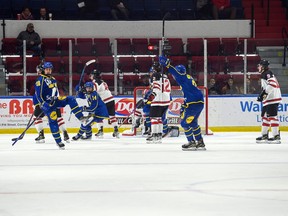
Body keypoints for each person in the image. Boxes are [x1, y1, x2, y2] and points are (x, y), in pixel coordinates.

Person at [34, 62, 89, 149]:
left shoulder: (53, 79)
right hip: (48, 105)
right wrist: (44, 104)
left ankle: (81, 118)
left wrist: (57, 97)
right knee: (53, 120)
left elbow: (55, 91)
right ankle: (58, 141)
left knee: (70, 99)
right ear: (44, 70)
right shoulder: (40, 80)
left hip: (55, 101)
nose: (48, 71)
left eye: (50, 69)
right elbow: (38, 94)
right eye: (47, 69)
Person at [159, 55, 206, 151]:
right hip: (199, 102)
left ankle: (191, 142)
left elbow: (175, 73)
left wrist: (168, 65)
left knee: (184, 123)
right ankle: (200, 142)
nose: (174, 77)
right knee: (193, 123)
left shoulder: (182, 77)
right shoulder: (188, 78)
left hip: (193, 102)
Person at [32, 64, 70, 143]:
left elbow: (38, 94)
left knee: (37, 117)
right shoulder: (52, 79)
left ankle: (41, 135)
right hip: (53, 101)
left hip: (43, 102)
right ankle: (65, 133)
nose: (38, 72)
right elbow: (56, 91)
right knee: (58, 117)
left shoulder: (40, 79)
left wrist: (41, 103)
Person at [256, 60, 282, 144]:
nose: (258, 67)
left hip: (272, 99)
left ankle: (276, 136)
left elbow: (272, 84)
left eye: (259, 66)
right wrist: (263, 95)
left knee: (272, 117)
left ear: (263, 66)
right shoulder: (265, 73)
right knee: (265, 117)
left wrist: (263, 94)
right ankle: (264, 135)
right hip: (268, 100)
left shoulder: (267, 73)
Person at [144, 63, 171, 144]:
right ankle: (159, 135)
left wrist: (151, 97)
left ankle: (154, 135)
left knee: (154, 118)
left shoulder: (155, 75)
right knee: (159, 118)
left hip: (158, 99)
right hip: (166, 100)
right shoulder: (166, 76)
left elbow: (157, 89)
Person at [88, 70, 119, 138]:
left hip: (105, 101)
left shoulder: (95, 81)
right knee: (112, 116)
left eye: (92, 75)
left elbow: (94, 89)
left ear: (94, 75)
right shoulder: (102, 81)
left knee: (98, 116)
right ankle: (116, 130)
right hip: (111, 99)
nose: (91, 76)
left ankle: (100, 131)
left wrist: (85, 90)